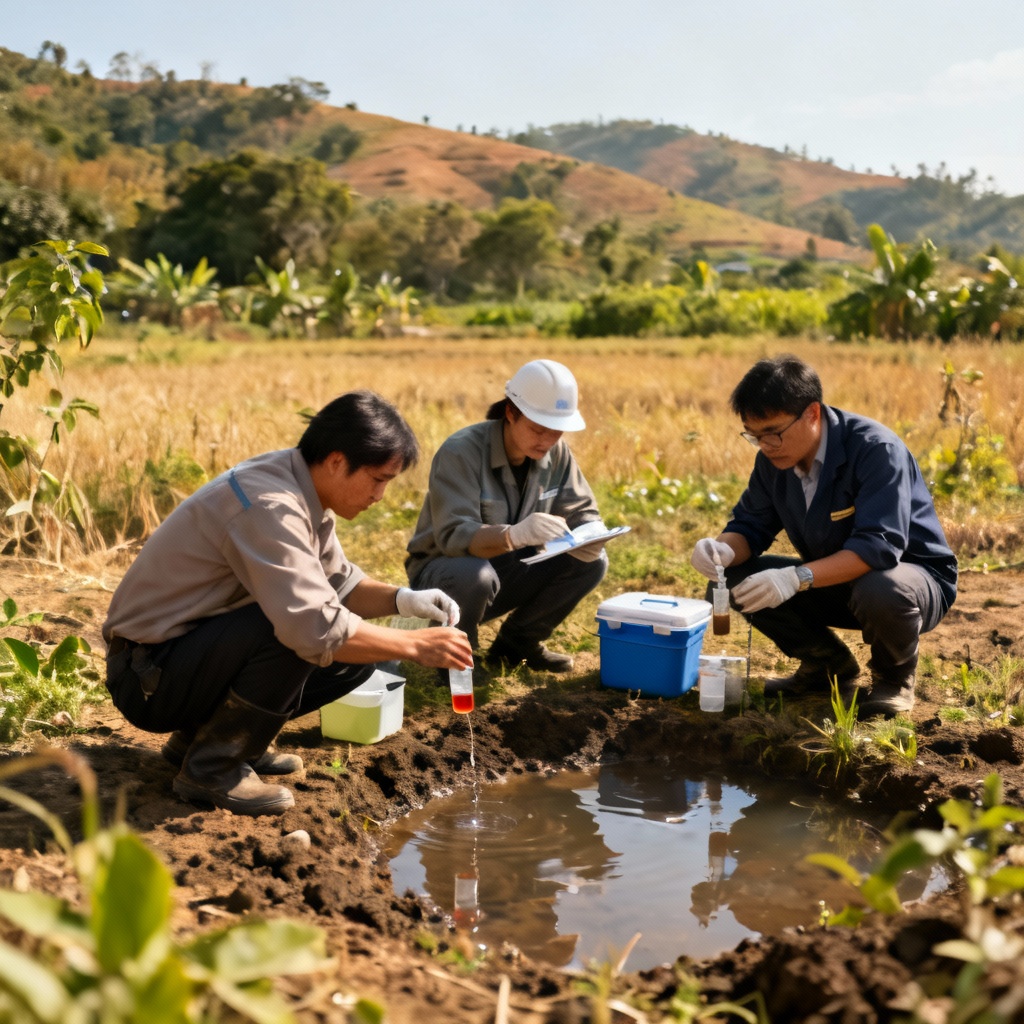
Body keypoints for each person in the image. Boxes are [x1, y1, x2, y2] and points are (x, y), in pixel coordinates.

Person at [103, 391, 473, 816]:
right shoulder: (269, 505)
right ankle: (213, 768)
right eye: (378, 479)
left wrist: (404, 600)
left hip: (183, 659)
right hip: (147, 677)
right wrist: (415, 646)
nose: (380, 495)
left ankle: (208, 741)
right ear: (336, 461)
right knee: (295, 628)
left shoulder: (303, 489)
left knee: (352, 656)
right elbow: (313, 624)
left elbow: (341, 584)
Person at [690, 354, 957, 717]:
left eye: (773, 432)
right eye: (754, 435)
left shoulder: (876, 450)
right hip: (834, 582)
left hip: (908, 586)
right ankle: (826, 664)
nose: (765, 445)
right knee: (734, 579)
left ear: (812, 414)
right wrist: (720, 550)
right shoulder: (773, 462)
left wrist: (796, 577)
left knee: (880, 586)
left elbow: (878, 548)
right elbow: (749, 527)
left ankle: (894, 679)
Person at [405, 359, 608, 674]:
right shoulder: (461, 452)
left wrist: (591, 534)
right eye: (538, 429)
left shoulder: (556, 454)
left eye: (556, 432)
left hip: (506, 569)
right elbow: (453, 536)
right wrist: (512, 535)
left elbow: (582, 510)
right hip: (447, 578)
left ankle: (516, 646)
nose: (547, 441)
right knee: (474, 574)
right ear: (511, 413)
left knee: (593, 562)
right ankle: (455, 659)